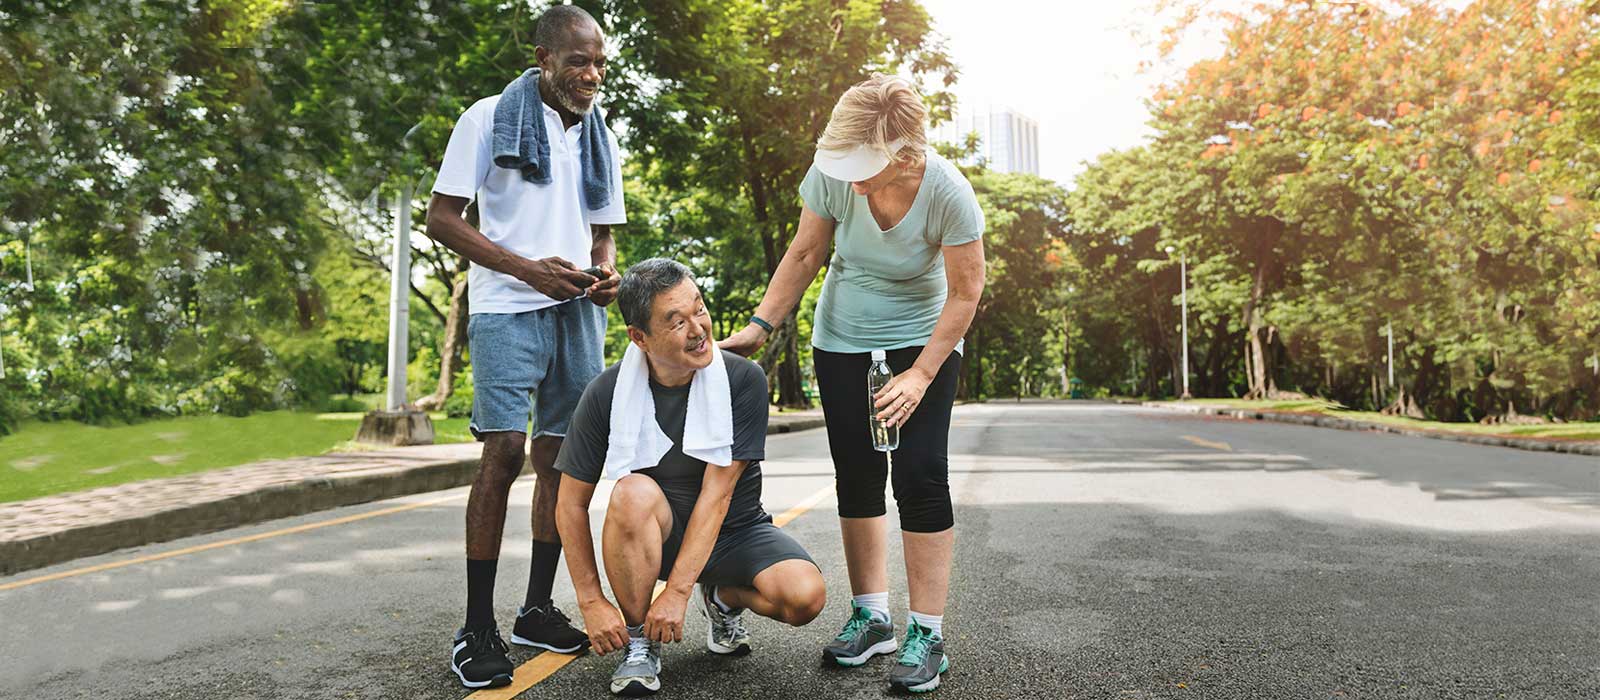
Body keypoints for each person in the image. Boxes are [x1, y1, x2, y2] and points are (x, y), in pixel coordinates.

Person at [721, 74, 985, 693]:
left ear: (906, 152)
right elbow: (805, 253)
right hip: (842, 335)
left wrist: (922, 372)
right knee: (858, 473)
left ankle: (928, 634)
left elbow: (967, 290)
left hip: (924, 335)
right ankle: (872, 616)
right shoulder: (834, 175)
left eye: (868, 167)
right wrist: (762, 325)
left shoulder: (948, 193)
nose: (855, 179)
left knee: (920, 474)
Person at [423, 5, 625, 689]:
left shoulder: (598, 132)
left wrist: (606, 271)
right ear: (542, 58)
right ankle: (476, 626)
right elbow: (441, 219)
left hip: (577, 313)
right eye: (579, 62)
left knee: (561, 460)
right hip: (508, 305)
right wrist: (525, 269)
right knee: (506, 449)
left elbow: (601, 231)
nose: (593, 74)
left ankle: (535, 608)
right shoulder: (487, 118)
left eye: (599, 62)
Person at [554, 258, 826, 696]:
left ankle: (721, 598)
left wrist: (679, 591)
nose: (698, 328)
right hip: (657, 536)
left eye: (698, 308)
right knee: (630, 493)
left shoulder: (743, 379)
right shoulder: (607, 391)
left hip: (734, 530)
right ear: (639, 337)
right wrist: (590, 599)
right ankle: (639, 639)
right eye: (675, 321)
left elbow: (717, 497)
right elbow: (569, 502)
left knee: (804, 597)